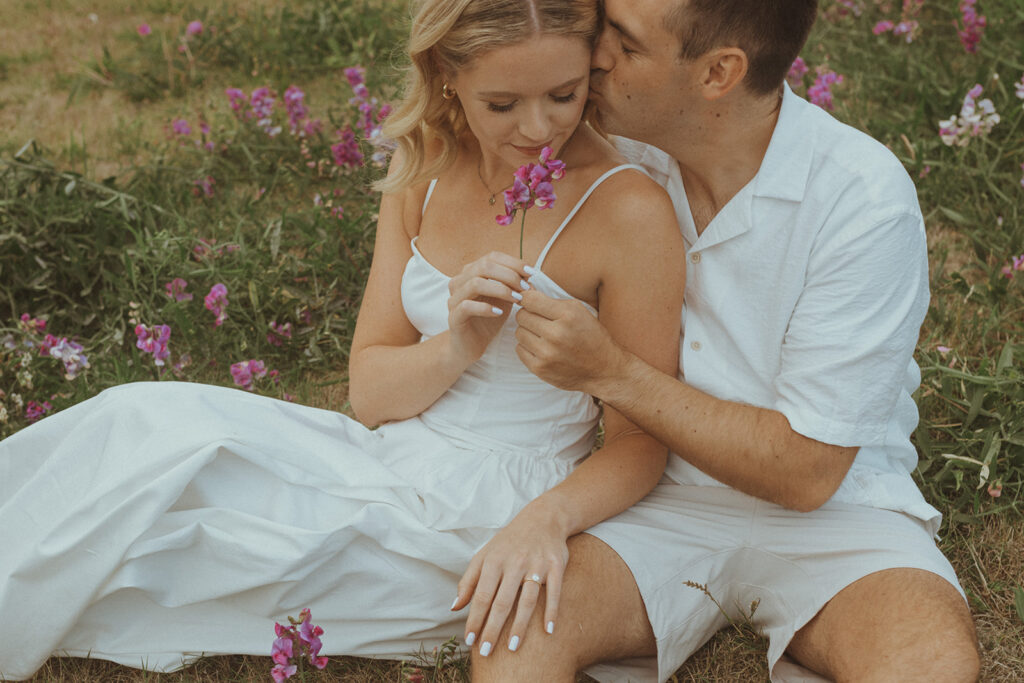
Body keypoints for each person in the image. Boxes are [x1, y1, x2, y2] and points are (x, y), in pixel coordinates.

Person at [0, 0, 686, 680]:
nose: (539, 129)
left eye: (563, 95)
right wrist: (457, 345)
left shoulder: (628, 211)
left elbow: (641, 442)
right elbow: (371, 393)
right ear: (447, 74)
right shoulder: (430, 165)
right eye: (502, 104)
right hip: (385, 452)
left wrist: (545, 521)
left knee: (199, 547)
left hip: (488, 513)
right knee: (142, 420)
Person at [472, 0, 982, 681]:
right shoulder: (608, 155)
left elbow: (808, 472)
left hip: (842, 513)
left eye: (624, 41)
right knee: (516, 634)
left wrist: (613, 373)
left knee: (931, 665)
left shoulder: (860, 197)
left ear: (719, 72)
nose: (594, 56)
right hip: (659, 499)